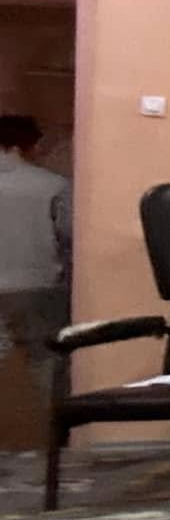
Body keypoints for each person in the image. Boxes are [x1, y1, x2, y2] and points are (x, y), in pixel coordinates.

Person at [0, 114, 71, 407]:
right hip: (39, 287)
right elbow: (68, 237)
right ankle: (58, 426)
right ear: (26, 145)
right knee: (46, 366)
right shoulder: (54, 185)